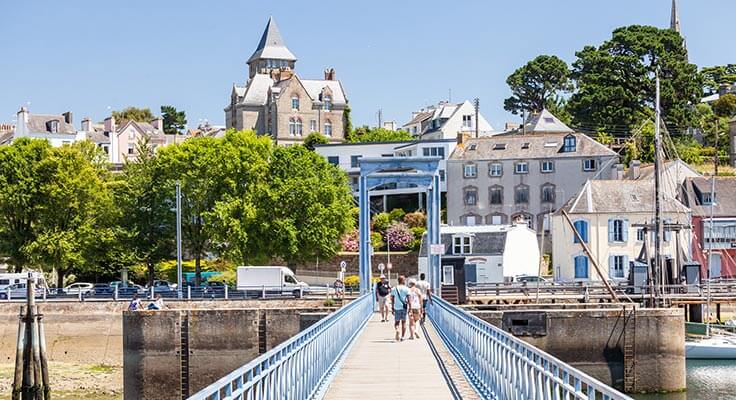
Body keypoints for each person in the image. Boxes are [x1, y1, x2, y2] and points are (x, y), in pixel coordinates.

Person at [390, 275, 410, 341]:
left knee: (397, 322)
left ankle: (397, 330)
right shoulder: (406, 289)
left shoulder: (394, 289)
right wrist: (410, 308)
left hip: (396, 307)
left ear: (398, 281)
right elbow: (409, 299)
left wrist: (392, 308)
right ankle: (403, 337)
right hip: (404, 307)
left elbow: (392, 299)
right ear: (403, 281)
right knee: (404, 322)